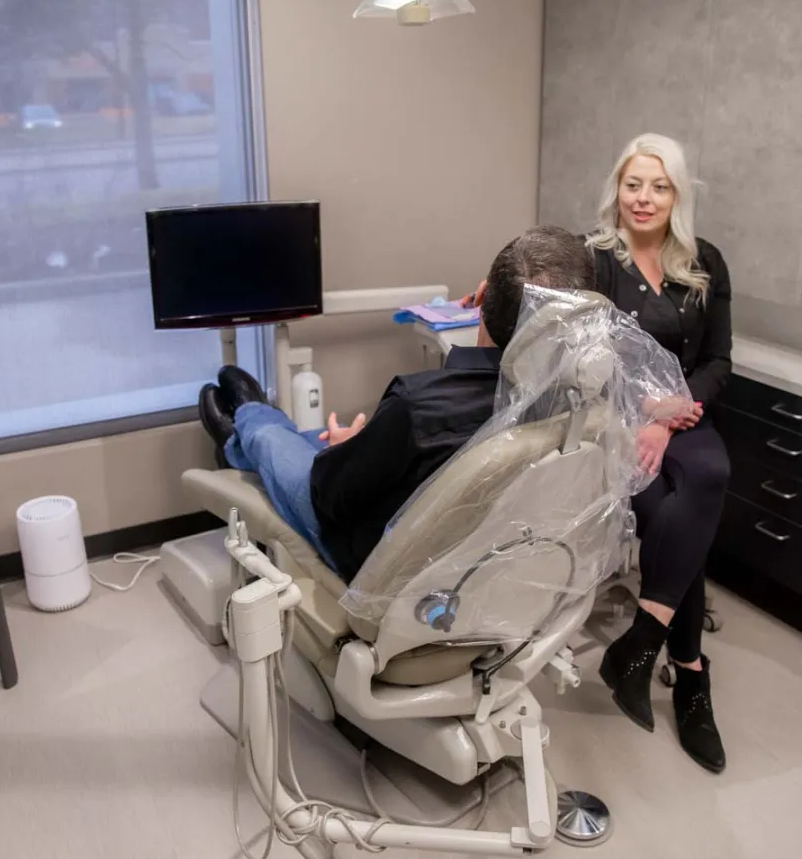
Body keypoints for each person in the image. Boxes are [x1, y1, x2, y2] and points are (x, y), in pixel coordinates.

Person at [464, 134, 731, 774]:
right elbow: (545, 300)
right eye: (633, 184)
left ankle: (643, 645)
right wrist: (496, 289)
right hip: (620, 416)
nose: (644, 198)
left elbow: (720, 359)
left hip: (685, 415)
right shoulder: (594, 257)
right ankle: (690, 672)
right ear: (617, 188)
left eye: (659, 186)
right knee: (674, 514)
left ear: (677, 195)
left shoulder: (705, 261)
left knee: (708, 474)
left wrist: (676, 411)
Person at [198, 225, 596, 587]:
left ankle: (245, 424)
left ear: (481, 295)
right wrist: (364, 445)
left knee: (273, 439)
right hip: (489, 565)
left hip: (377, 564)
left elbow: (329, 497)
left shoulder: (419, 407)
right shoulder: (576, 402)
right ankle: (252, 435)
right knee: (309, 436)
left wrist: (342, 450)